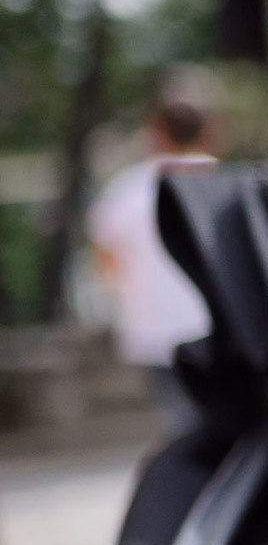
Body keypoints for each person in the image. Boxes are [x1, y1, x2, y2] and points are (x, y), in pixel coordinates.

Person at [87, 65, 221, 433]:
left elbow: (107, 264)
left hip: (155, 338)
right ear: (209, 128)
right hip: (222, 332)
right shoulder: (230, 185)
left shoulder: (124, 193)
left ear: (157, 130)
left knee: (184, 428)